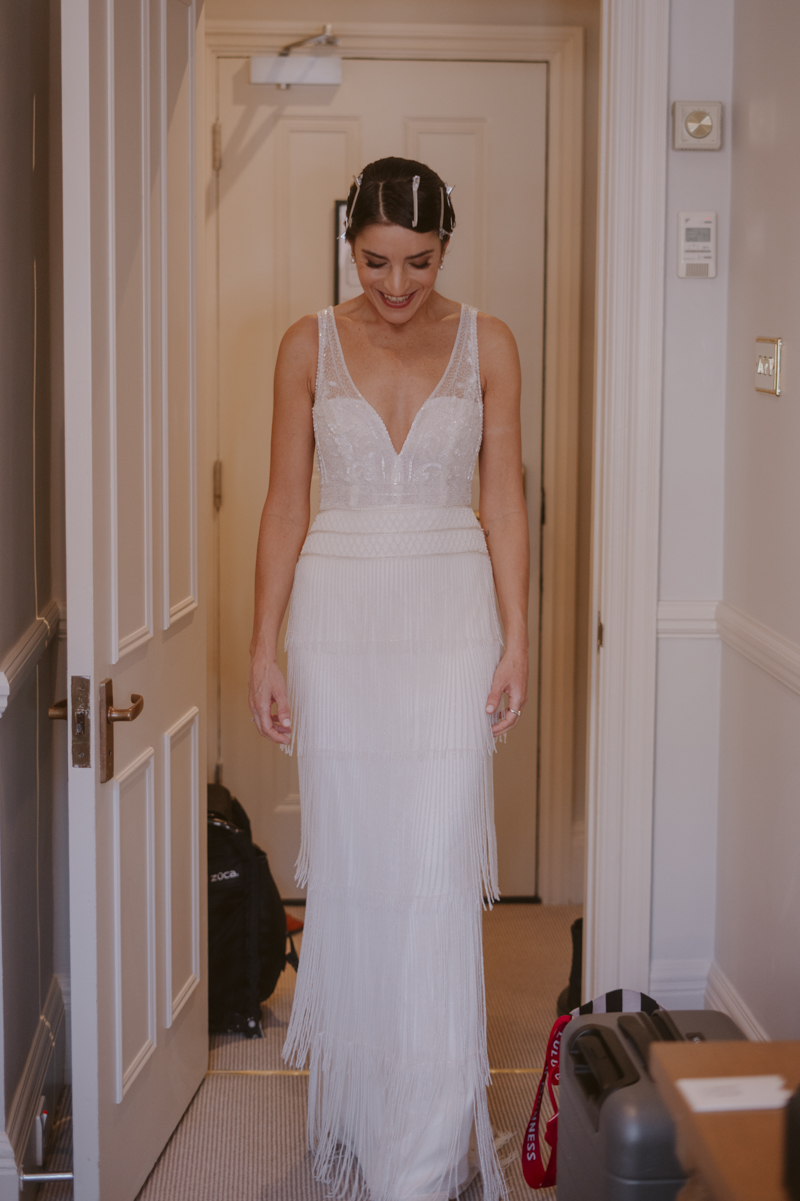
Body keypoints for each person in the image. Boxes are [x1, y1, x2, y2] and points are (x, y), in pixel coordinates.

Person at [249, 157, 528, 1201]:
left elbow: (503, 497)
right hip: (340, 624)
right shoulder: (306, 344)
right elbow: (285, 502)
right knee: (360, 872)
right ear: (349, 245)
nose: (397, 284)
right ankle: (370, 1114)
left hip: (452, 618)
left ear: (445, 246)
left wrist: (518, 637)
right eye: (375, 261)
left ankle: (426, 1143)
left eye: (418, 261)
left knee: (435, 871)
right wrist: (263, 645)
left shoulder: (489, 342)